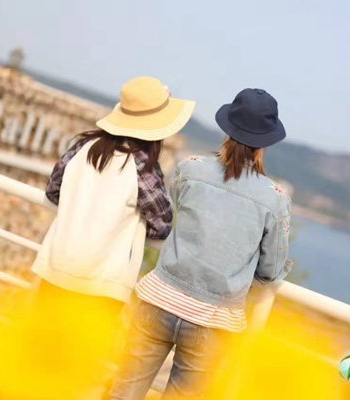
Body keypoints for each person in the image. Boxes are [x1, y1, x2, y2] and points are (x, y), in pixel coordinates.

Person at [111, 88, 293, 399]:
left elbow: (177, 211)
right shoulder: (275, 198)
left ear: (227, 128)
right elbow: (270, 271)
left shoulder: (190, 167)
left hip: (158, 299)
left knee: (124, 390)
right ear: (266, 142)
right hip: (213, 321)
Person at [31, 76, 195, 307]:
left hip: (56, 268)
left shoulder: (83, 147)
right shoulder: (142, 167)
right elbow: (162, 225)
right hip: (102, 285)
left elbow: (53, 190)